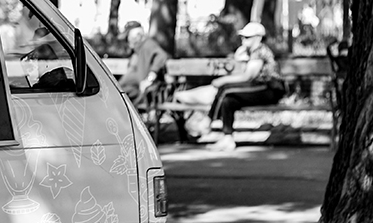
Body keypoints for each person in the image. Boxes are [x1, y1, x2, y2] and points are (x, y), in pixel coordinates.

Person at [174, 21, 284, 150]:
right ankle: (227, 138)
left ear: (258, 38)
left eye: (247, 37)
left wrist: (223, 80)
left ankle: (207, 123)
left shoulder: (259, 51)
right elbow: (243, 74)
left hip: (270, 89)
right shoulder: (249, 52)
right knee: (228, 101)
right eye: (243, 37)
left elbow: (248, 76)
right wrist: (240, 57)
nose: (243, 39)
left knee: (226, 88)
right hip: (259, 88)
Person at [118, 21, 169, 108]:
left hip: (142, 91)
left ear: (138, 36)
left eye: (128, 37)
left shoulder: (148, 45)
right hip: (132, 90)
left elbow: (161, 56)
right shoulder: (138, 50)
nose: (127, 41)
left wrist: (150, 78)